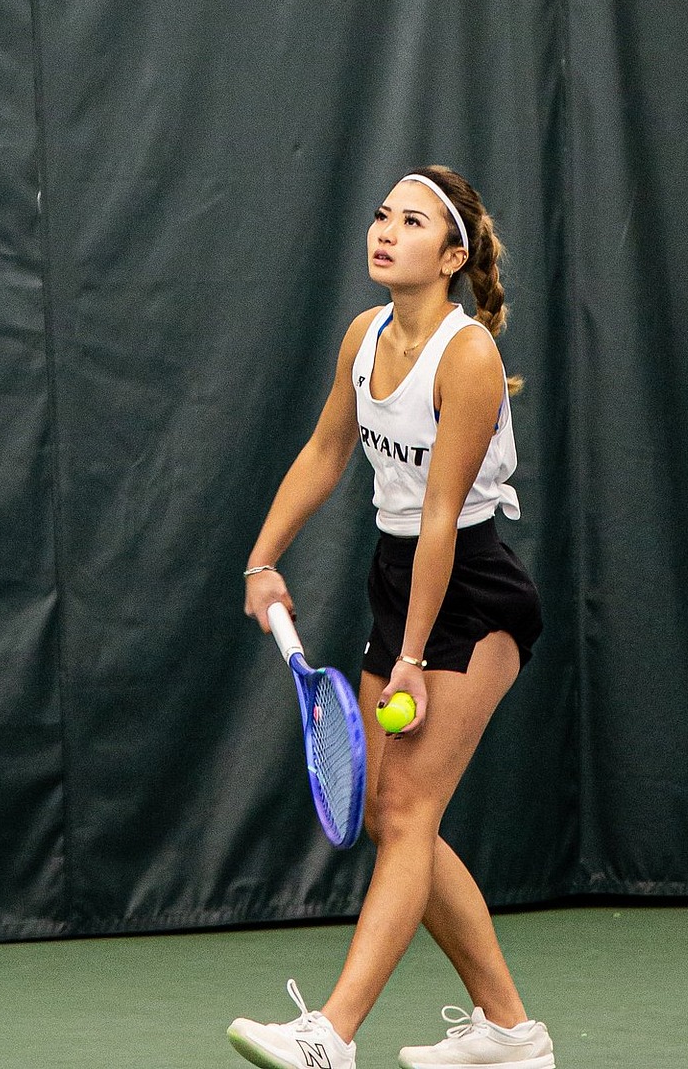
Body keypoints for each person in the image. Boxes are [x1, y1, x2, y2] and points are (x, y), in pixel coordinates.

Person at [227, 166, 554, 1069]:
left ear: (451, 256)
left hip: (472, 589)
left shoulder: (469, 355)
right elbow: (329, 451)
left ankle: (331, 1034)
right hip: (397, 573)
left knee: (406, 812)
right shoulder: (364, 335)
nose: (385, 231)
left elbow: (445, 515)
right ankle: (510, 1034)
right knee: (393, 812)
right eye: (380, 216)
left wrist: (413, 653)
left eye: (411, 223)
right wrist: (262, 560)